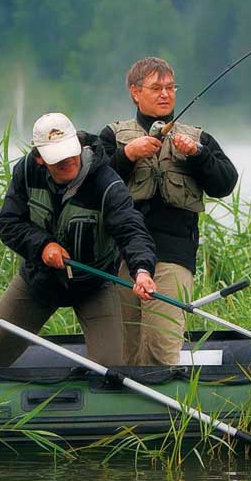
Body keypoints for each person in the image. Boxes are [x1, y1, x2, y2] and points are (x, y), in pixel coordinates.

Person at [0, 112, 158, 370]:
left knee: (109, 368)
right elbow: (8, 222)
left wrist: (142, 270)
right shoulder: (26, 172)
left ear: (79, 145)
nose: (67, 161)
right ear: (39, 159)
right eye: (57, 157)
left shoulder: (107, 183)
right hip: (38, 280)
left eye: (70, 152)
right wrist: (43, 245)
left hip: (95, 284)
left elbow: (132, 230)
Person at [99, 57, 238, 366]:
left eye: (170, 87)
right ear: (135, 92)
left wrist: (199, 156)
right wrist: (126, 155)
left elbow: (225, 183)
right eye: (156, 87)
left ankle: (164, 410)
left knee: (161, 348)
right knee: (125, 349)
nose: (165, 94)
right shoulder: (112, 136)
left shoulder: (199, 138)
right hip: (121, 257)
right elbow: (92, 183)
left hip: (173, 256)